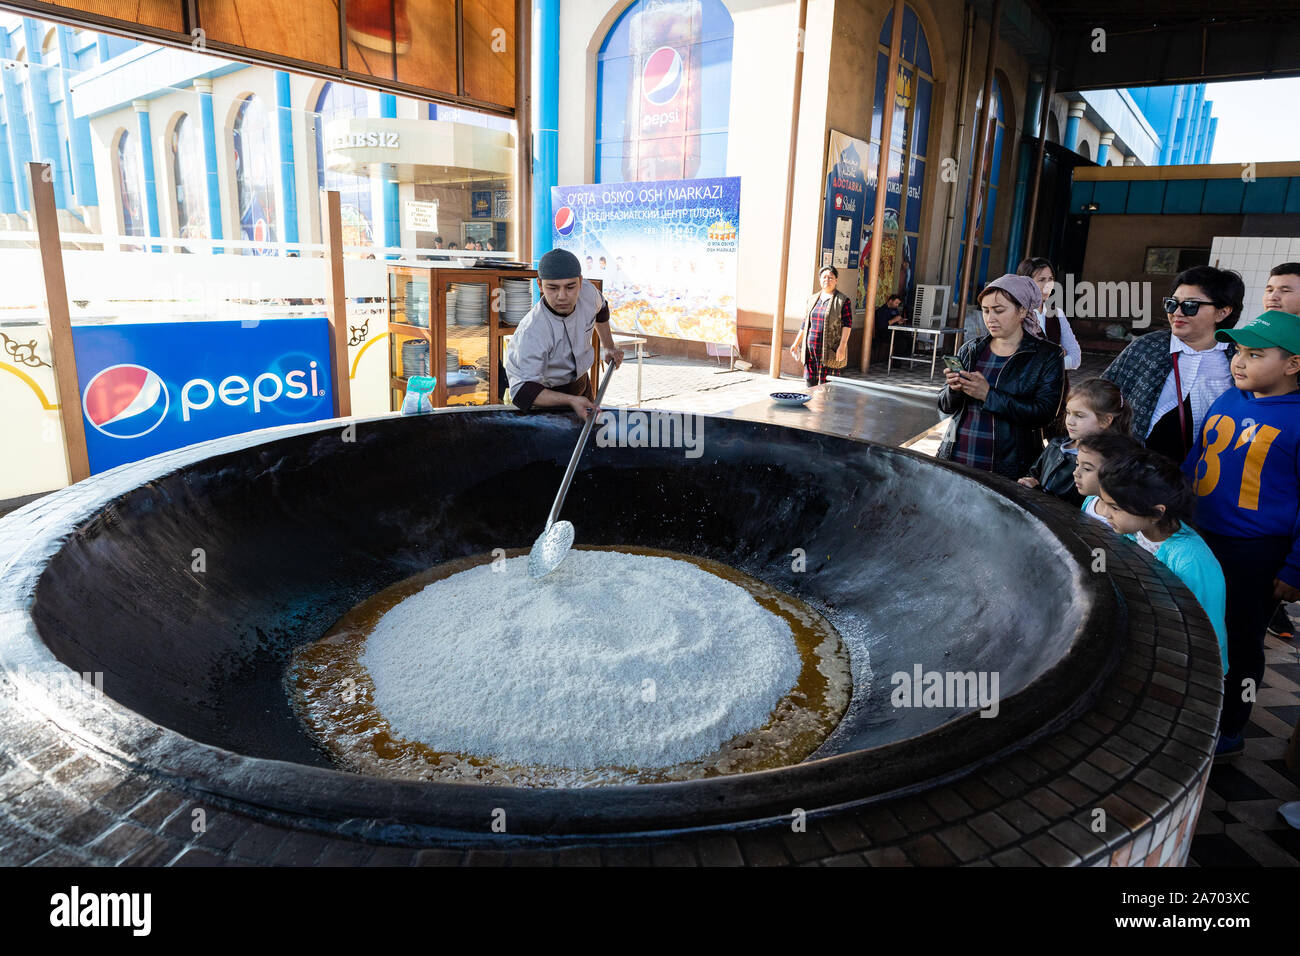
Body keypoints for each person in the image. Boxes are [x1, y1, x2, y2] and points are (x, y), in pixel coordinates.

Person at [1183, 310, 1300, 757]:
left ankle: (1231, 726)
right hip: (1198, 537)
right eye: (1237, 351)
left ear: (1292, 365)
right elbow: (1195, 461)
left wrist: (1295, 567)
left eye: (1255, 354)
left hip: (1256, 553)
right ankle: (1192, 711)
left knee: (1241, 638)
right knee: (1196, 628)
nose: (1239, 361)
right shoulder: (1229, 399)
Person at [1095, 448, 1229, 674]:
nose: (1106, 513)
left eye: (1115, 507)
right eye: (1105, 503)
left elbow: (1206, 630)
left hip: (1190, 667)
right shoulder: (1133, 531)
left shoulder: (1191, 562)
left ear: (1157, 513)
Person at [1101, 265, 1244, 463]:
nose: (1177, 312)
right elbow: (1101, 395)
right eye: (1172, 303)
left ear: (1223, 312)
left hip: (1210, 470)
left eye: (1191, 305)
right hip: (1135, 468)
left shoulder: (1238, 356)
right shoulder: (1148, 347)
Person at [937, 274, 1065, 479]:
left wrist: (989, 395)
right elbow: (944, 406)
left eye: (999, 310)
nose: (990, 318)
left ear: (1022, 310)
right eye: (986, 311)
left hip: (1010, 466)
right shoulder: (971, 349)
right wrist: (953, 389)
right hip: (959, 455)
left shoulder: (1046, 355)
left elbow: (1044, 414)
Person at [504, 249, 623, 420]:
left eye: (570, 287)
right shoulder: (531, 331)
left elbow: (602, 309)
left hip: (582, 383)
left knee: (589, 439)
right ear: (540, 285)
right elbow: (522, 392)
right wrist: (570, 400)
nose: (562, 296)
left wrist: (609, 347)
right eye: (552, 288)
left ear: (580, 282)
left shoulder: (588, 293)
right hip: (547, 397)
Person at [1019, 378, 1131, 506]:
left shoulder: (1105, 463)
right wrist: (1027, 482)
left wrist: (1037, 492)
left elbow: (1078, 509)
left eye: (1079, 415)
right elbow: (1034, 472)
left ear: (1105, 421)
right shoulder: (1057, 444)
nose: (1070, 421)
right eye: (1068, 413)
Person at [789, 265, 853, 387]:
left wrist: (842, 346)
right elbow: (805, 323)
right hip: (811, 351)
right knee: (810, 386)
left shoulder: (842, 300)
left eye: (830, 277)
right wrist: (796, 343)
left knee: (827, 389)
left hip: (829, 351)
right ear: (820, 280)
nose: (827, 280)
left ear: (836, 280)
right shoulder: (813, 299)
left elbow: (847, 324)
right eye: (824, 277)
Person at [1017, 257, 1081, 371]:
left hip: (1057, 387)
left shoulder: (1057, 313)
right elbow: (1022, 362)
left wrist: (1046, 364)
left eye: (1050, 279)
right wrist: (1059, 355)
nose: (1048, 285)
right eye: (1041, 280)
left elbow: (1076, 358)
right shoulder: (1016, 315)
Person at [1073, 431, 1144, 524]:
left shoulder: (1127, 519)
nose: (1075, 473)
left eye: (1087, 468)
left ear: (1116, 472)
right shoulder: (1091, 500)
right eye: (1077, 464)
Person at [873, 293, 909, 361]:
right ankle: (895, 361)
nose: (897, 305)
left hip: (894, 331)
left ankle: (902, 359)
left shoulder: (894, 310)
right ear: (890, 301)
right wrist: (894, 320)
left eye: (898, 304)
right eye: (896, 303)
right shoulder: (882, 311)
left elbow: (896, 320)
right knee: (902, 342)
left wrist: (899, 321)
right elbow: (882, 326)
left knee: (908, 339)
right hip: (884, 334)